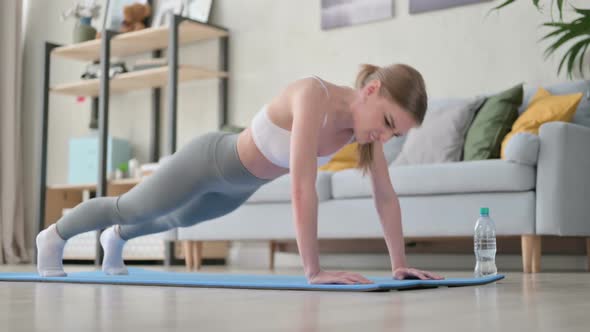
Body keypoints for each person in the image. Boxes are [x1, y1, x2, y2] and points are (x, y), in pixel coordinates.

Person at [36, 63, 444, 283]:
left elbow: (385, 196)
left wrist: (399, 263)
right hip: (209, 161)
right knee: (131, 206)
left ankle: (116, 240)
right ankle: (52, 236)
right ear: (371, 90)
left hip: (239, 187)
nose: (386, 137)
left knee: (178, 219)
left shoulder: (366, 135)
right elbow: (303, 187)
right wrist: (314, 271)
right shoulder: (312, 94)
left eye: (396, 133)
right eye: (389, 123)